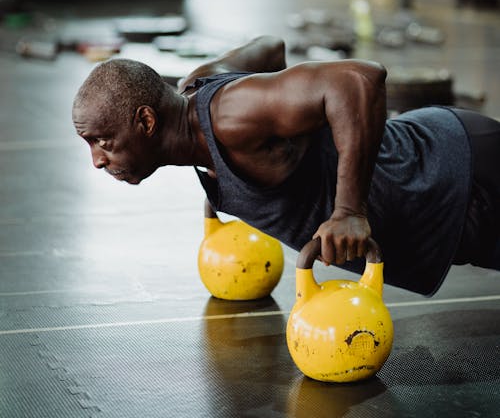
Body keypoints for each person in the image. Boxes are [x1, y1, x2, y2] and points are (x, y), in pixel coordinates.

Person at [72, 35, 500, 296]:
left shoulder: (230, 116)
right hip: (446, 196)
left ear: (146, 121)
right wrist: (270, 151)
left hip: (461, 177)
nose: (97, 160)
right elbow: (270, 46)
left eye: (102, 141)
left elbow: (359, 79)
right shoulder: (199, 89)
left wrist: (349, 210)